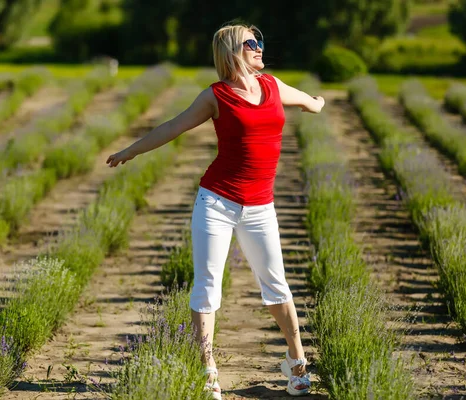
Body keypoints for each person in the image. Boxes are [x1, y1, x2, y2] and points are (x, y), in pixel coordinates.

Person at [106, 23, 325, 398]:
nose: (259, 48)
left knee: (276, 286)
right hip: (217, 202)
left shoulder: (272, 86)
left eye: (260, 42)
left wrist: (318, 103)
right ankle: (207, 370)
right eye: (251, 43)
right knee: (207, 288)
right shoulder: (216, 96)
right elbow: (173, 127)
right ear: (231, 52)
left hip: (260, 207)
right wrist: (131, 150)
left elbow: (308, 100)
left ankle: (297, 362)